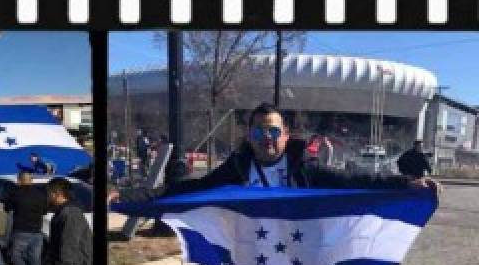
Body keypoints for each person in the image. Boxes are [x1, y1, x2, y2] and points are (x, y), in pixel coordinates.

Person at [114, 104, 440, 201]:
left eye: (273, 131)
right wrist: (130, 195)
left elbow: (356, 179)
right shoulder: (238, 167)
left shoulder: (305, 166)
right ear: (250, 135)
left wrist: (405, 184)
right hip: (254, 264)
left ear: (285, 134)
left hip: (303, 262)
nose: (266, 138)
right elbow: (192, 188)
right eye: (258, 132)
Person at [43, 177, 92, 265]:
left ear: (56, 194)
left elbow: (68, 246)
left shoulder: (70, 214)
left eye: (48, 193)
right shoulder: (62, 211)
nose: (47, 197)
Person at [2, 169, 48, 265]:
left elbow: (7, 208)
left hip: (21, 231)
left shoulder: (16, 193)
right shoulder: (41, 194)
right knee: (35, 260)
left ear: (19, 181)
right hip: (37, 232)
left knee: (14, 256)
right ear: (31, 180)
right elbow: (45, 210)